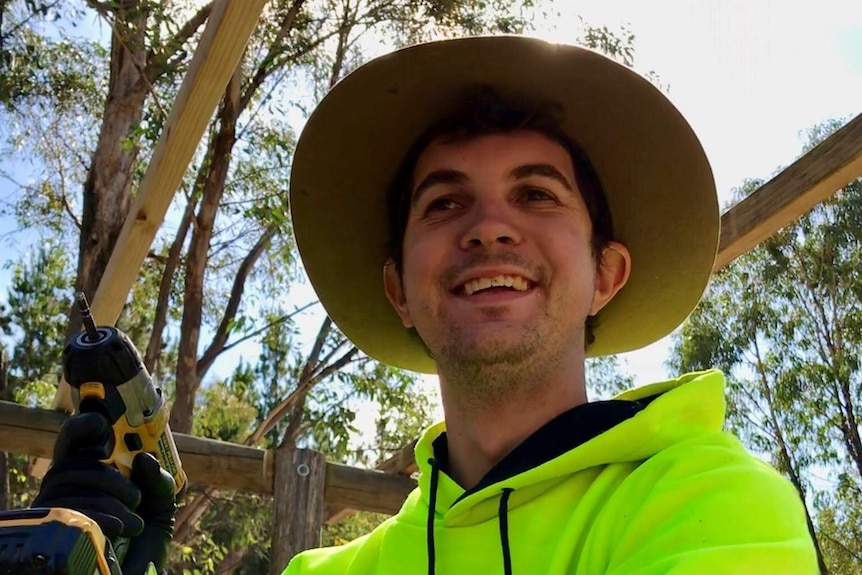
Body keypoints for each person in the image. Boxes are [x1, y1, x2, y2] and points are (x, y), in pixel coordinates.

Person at [34, 36, 817, 575]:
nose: (490, 226)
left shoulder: (711, 502)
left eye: (536, 194)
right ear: (398, 288)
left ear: (606, 273)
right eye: (445, 204)